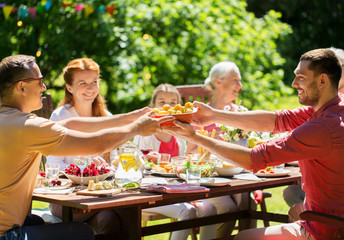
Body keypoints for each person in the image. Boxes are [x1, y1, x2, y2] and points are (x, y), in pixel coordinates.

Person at [165, 48, 344, 240]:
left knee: (242, 238)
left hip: (326, 231)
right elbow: (277, 120)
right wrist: (214, 116)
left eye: (301, 77)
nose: (293, 84)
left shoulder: (321, 128)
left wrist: (195, 137)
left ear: (323, 81)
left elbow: (252, 159)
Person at [0, 54, 172, 240]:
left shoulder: (11, 120)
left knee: (39, 223)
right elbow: (97, 144)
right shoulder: (27, 127)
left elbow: (70, 125)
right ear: (21, 87)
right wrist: (136, 128)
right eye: (40, 81)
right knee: (82, 233)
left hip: (14, 223)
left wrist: (131, 117)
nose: (44, 87)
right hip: (7, 234)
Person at [45, 58, 122, 234]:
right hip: (66, 197)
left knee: (110, 219)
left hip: (99, 195)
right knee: (123, 211)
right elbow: (53, 165)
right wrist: (86, 170)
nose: (90, 88)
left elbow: (115, 160)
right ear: (69, 87)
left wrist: (108, 167)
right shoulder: (60, 118)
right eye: (83, 83)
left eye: (94, 82)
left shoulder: (106, 116)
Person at [133, 83, 216, 240]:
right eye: (162, 102)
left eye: (172, 103)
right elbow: (134, 163)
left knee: (210, 209)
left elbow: (179, 168)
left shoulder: (179, 134)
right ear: (153, 106)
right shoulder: (146, 132)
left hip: (177, 190)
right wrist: (148, 161)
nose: (167, 107)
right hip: (151, 192)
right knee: (188, 211)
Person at [283, 47, 344, 208]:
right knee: (291, 192)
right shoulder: (320, 102)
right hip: (321, 174)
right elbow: (287, 121)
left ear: (343, 69)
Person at [188, 61, 256, 238]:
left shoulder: (241, 112)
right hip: (208, 178)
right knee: (229, 208)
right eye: (235, 80)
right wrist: (213, 145)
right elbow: (189, 153)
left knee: (248, 202)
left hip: (237, 175)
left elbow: (253, 145)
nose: (240, 86)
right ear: (218, 82)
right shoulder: (199, 115)